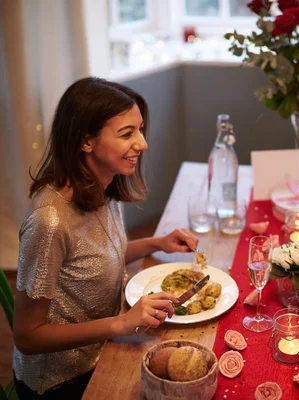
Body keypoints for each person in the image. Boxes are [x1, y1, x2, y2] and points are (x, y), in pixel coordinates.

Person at [12, 77, 199, 399]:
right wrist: (120, 324)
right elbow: (27, 337)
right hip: (63, 380)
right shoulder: (50, 222)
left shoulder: (103, 186)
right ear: (86, 142)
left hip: (107, 343)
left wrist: (157, 243)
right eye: (127, 134)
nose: (142, 144)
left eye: (140, 129)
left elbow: (94, 259)